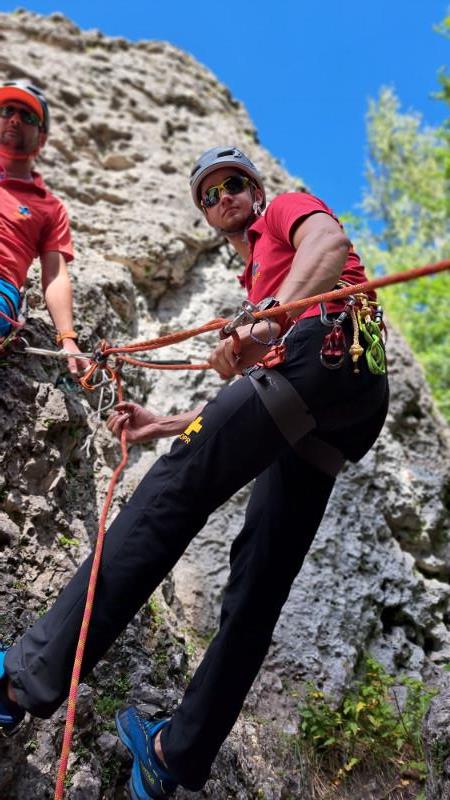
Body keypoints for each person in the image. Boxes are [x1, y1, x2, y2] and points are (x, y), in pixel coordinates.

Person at [0, 146, 389, 799]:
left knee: (171, 490)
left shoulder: (284, 219)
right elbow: (251, 405)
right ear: (205, 215)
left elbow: (329, 240)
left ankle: (23, 679)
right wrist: (161, 425)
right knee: (258, 584)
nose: (223, 198)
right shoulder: (257, 287)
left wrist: (271, 316)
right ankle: (175, 755)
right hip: (341, 403)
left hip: (322, 344)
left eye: (234, 184)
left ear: (257, 192)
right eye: (209, 195)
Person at [0, 79, 87, 375]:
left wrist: (68, 339)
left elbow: (55, 274)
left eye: (28, 116)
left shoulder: (49, 207)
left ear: (42, 138)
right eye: (6, 109)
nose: (14, 118)